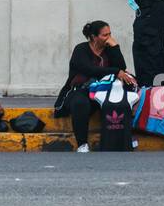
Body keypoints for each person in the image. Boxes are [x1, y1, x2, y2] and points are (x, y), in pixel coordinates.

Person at [54, 21, 137, 154]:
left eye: (110, 34)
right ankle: (82, 144)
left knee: (120, 102)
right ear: (93, 36)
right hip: (81, 90)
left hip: (105, 91)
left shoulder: (110, 49)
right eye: (105, 35)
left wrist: (115, 47)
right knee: (80, 103)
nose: (109, 38)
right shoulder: (81, 49)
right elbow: (90, 70)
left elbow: (121, 67)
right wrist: (115, 71)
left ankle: (125, 139)